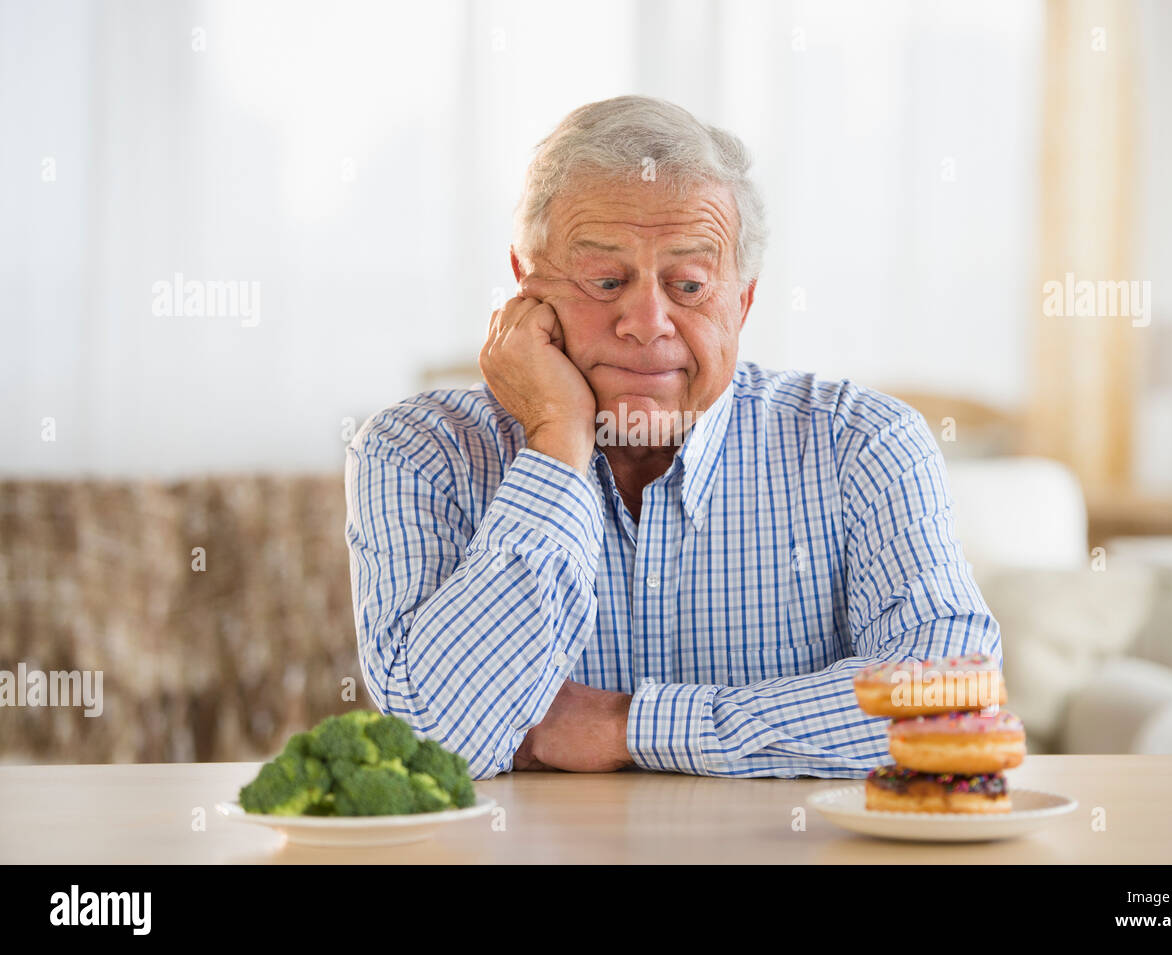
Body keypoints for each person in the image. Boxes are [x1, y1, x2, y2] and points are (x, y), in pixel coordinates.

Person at [344, 95, 1001, 780]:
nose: (647, 321)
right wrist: (554, 438)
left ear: (741, 303)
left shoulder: (862, 443)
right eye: (605, 280)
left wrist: (629, 725)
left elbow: (949, 700)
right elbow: (436, 747)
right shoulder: (416, 452)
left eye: (688, 285)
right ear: (525, 287)